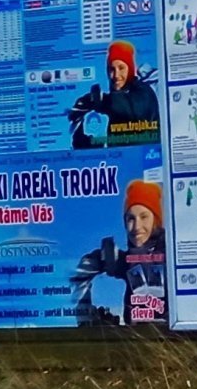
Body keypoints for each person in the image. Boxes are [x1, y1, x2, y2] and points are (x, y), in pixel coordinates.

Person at [69, 178, 167, 326]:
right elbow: (83, 269)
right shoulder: (127, 261)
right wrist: (85, 313)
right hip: (136, 340)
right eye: (130, 219)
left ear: (156, 220)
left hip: (173, 341)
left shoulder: (172, 255)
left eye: (144, 216)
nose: (136, 226)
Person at [68, 39, 159, 148]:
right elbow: (116, 141)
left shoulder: (144, 92)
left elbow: (133, 109)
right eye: (112, 69)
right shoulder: (115, 107)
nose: (116, 75)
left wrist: (100, 100)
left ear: (130, 69)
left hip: (146, 159)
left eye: (121, 68)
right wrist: (81, 138)